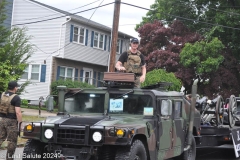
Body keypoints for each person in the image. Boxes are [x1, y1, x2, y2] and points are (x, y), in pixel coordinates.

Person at [0, 81, 22, 160]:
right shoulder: (16, 97)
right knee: (12, 141)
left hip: (2, 120)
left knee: (1, 138)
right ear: (15, 88)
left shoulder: (2, 95)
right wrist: (20, 123)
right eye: (17, 87)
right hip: (11, 122)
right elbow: (18, 112)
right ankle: (9, 158)